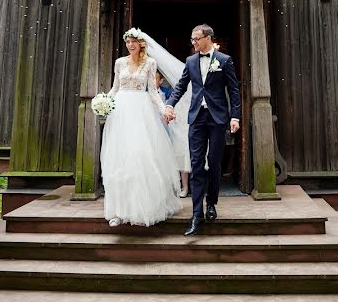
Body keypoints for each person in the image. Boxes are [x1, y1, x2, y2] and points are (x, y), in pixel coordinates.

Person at [163, 24, 240, 237]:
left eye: (196, 39)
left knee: (214, 163)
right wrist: (170, 104)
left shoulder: (224, 61)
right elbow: (181, 86)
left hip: (217, 118)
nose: (193, 43)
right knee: (196, 163)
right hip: (196, 117)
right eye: (192, 39)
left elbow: (233, 91)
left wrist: (235, 116)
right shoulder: (190, 61)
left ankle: (212, 203)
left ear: (208, 38)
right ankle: (197, 214)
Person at [101, 28, 181, 227]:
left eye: (133, 42)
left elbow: (153, 93)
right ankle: (118, 211)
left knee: (141, 157)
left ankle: (145, 207)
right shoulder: (120, 63)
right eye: (127, 42)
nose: (130, 45)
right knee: (119, 159)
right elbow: (115, 88)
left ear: (141, 43)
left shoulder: (150, 63)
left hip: (141, 111)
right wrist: (103, 101)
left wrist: (164, 110)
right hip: (120, 112)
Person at [156, 69, 189, 198]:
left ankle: (183, 186)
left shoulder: (168, 92)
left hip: (170, 127)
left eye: (155, 79)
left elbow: (177, 103)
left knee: (179, 155)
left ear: (161, 81)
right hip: (155, 126)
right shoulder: (146, 93)